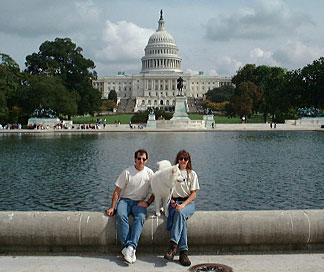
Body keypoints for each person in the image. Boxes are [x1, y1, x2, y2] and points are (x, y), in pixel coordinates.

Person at [106, 149, 154, 264]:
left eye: (143, 159)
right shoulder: (127, 172)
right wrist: (112, 207)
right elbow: (117, 191)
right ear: (135, 159)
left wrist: (147, 203)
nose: (141, 161)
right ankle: (127, 247)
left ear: (146, 161)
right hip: (125, 201)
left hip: (139, 202)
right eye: (139, 158)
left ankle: (131, 247)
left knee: (141, 217)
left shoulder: (150, 173)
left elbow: (156, 191)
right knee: (121, 215)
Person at [164, 150, 200, 266]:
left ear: (188, 161)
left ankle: (173, 244)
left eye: (185, 159)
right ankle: (183, 252)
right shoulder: (172, 173)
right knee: (182, 219)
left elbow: (193, 194)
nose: (183, 161)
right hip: (174, 201)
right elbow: (167, 191)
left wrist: (183, 205)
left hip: (188, 202)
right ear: (177, 160)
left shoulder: (192, 174)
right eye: (180, 158)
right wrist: (173, 202)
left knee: (180, 213)